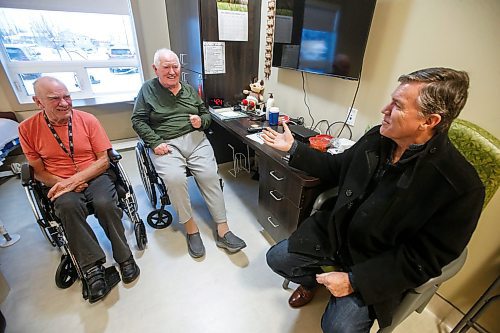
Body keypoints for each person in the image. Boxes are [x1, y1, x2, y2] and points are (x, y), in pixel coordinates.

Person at [261, 67, 485, 332]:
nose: (384, 109)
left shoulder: (461, 187)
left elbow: (422, 259)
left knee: (338, 327)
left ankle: (343, 290)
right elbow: (337, 167)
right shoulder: (377, 138)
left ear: (429, 121)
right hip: (337, 234)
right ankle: (314, 282)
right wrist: (294, 149)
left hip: (377, 263)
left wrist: (354, 282)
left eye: (397, 105)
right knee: (277, 259)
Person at [18, 77, 140, 303]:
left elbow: (104, 160)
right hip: (58, 180)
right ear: (38, 102)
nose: (64, 103)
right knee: (67, 206)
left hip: (94, 174)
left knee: (105, 203)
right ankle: (92, 267)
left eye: (67, 96)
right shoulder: (27, 129)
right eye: (55, 99)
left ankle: (124, 256)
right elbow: (37, 171)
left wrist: (76, 180)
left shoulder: (88, 120)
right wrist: (64, 183)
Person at [131, 48, 246, 258]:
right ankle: (191, 229)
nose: (172, 71)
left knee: (210, 175)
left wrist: (201, 121)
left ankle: (223, 230)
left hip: (194, 140)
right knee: (175, 179)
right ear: (155, 69)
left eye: (175, 66)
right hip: (165, 143)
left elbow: (205, 113)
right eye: (166, 67)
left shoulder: (189, 89)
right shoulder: (147, 90)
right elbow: (137, 120)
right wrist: (155, 142)